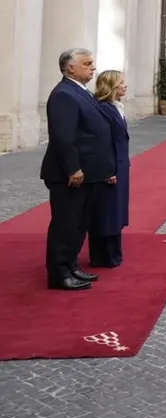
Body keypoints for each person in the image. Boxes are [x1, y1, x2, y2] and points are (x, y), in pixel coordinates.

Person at [40, 49, 117, 291]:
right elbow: (63, 137)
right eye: (87, 64)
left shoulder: (81, 91)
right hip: (71, 175)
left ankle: (71, 266)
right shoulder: (64, 94)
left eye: (92, 63)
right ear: (70, 68)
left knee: (79, 223)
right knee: (65, 224)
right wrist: (73, 168)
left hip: (89, 173)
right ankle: (59, 273)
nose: (92, 67)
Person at [89, 70, 130, 268]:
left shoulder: (116, 106)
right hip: (110, 166)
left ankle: (114, 251)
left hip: (120, 165)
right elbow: (103, 142)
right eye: (122, 82)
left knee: (116, 209)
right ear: (112, 85)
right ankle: (103, 255)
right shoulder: (103, 108)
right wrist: (107, 170)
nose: (125, 85)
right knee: (106, 211)